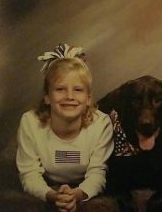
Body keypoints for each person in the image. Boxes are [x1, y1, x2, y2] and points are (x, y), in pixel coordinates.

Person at [16, 44, 115, 211]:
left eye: (78, 90)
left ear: (88, 99)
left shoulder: (101, 124)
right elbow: (29, 174)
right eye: (60, 89)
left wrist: (77, 194)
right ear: (47, 97)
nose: (69, 96)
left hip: (81, 185)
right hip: (49, 184)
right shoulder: (30, 122)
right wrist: (52, 195)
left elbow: (98, 173)